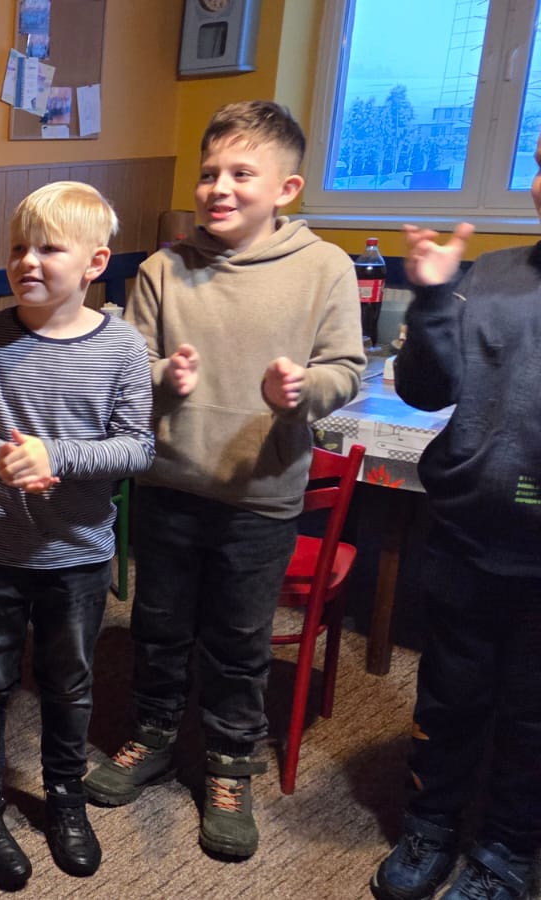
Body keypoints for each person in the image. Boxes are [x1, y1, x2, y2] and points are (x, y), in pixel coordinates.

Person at [84, 100, 364, 859]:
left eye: (243, 173)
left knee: (240, 641)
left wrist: (304, 389)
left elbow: (345, 369)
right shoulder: (162, 268)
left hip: (260, 496)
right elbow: (126, 367)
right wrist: (160, 378)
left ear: (287, 188)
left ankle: (230, 764)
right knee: (159, 624)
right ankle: (152, 734)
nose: (220, 188)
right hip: (169, 485)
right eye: (210, 173)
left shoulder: (325, 268)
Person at [0, 183, 154, 888]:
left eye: (48, 249)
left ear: (95, 262)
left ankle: (65, 799)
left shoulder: (123, 346)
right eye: (17, 248)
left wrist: (54, 455)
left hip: (78, 555)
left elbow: (137, 448)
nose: (26, 261)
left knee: (68, 686)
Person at [366, 208, 541, 900]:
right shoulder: (493, 274)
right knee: (447, 698)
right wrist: (434, 300)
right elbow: (426, 390)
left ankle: (507, 850)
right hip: (466, 538)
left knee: (531, 716)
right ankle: (430, 824)